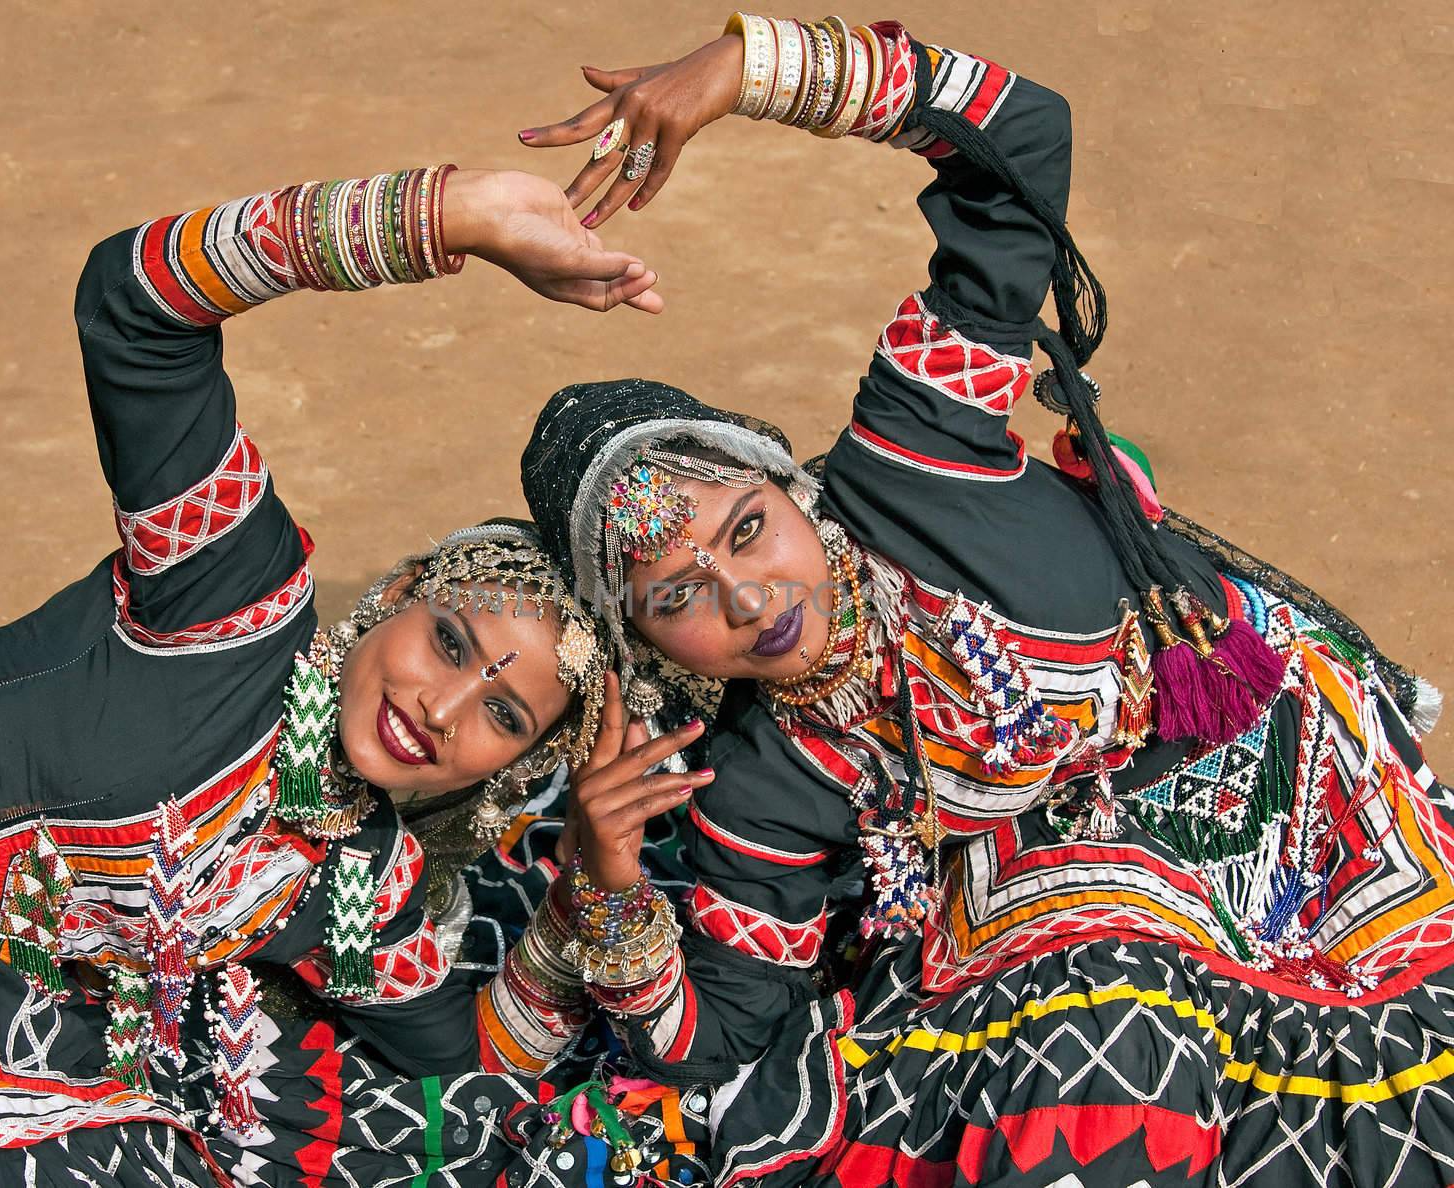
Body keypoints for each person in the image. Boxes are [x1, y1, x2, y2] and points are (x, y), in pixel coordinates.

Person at [518, 14, 1454, 1186]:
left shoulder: (916, 452)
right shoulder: (761, 777)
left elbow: (1019, 145)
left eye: (747, 528)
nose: (748, 592)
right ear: (649, 645)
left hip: (1289, 793)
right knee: (1097, 1039)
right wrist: (604, 884)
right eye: (677, 594)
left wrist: (751, 70)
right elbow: (721, 1038)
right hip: (1077, 903)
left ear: (793, 489)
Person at [0, 163, 697, 1184]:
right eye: (449, 643)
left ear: (512, 774)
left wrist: (595, 880)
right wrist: (443, 216)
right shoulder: (233, 606)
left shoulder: (364, 880)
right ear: (392, 603)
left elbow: (468, 1056)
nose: (443, 704)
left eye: (504, 714)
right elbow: (132, 308)